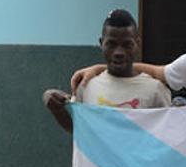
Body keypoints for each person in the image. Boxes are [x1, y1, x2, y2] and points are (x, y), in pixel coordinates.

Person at [43, 8, 172, 132]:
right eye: (111, 44)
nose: (119, 52)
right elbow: (80, 130)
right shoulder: (87, 86)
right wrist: (57, 110)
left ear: (137, 44)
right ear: (101, 43)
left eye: (127, 45)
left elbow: (168, 134)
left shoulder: (156, 90)